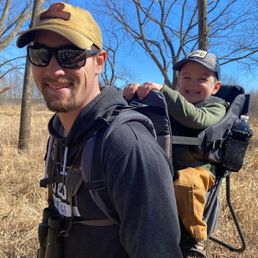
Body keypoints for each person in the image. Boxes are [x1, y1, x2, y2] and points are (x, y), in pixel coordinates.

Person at [16, 2, 182, 258]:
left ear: (100, 62)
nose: (53, 69)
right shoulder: (59, 135)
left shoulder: (128, 148)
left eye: (71, 55)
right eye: (40, 55)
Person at [123, 50, 229, 258]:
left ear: (216, 87)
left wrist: (165, 91)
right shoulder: (170, 103)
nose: (192, 83)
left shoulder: (216, 106)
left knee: (186, 184)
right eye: (186, 77)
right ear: (178, 81)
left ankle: (193, 239)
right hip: (163, 163)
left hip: (198, 168)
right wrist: (135, 94)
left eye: (202, 79)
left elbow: (196, 119)